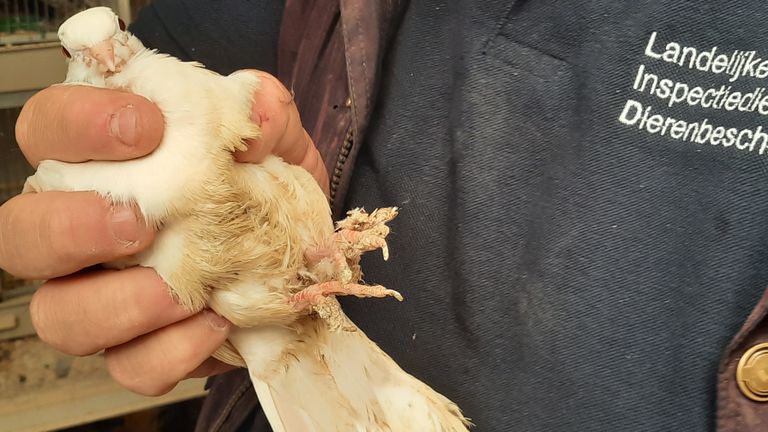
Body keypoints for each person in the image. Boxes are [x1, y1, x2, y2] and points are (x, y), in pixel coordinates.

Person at [3, 1, 768, 431]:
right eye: (87, 58)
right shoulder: (200, 82)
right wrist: (87, 251)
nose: (107, 63)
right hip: (279, 346)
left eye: (116, 44)